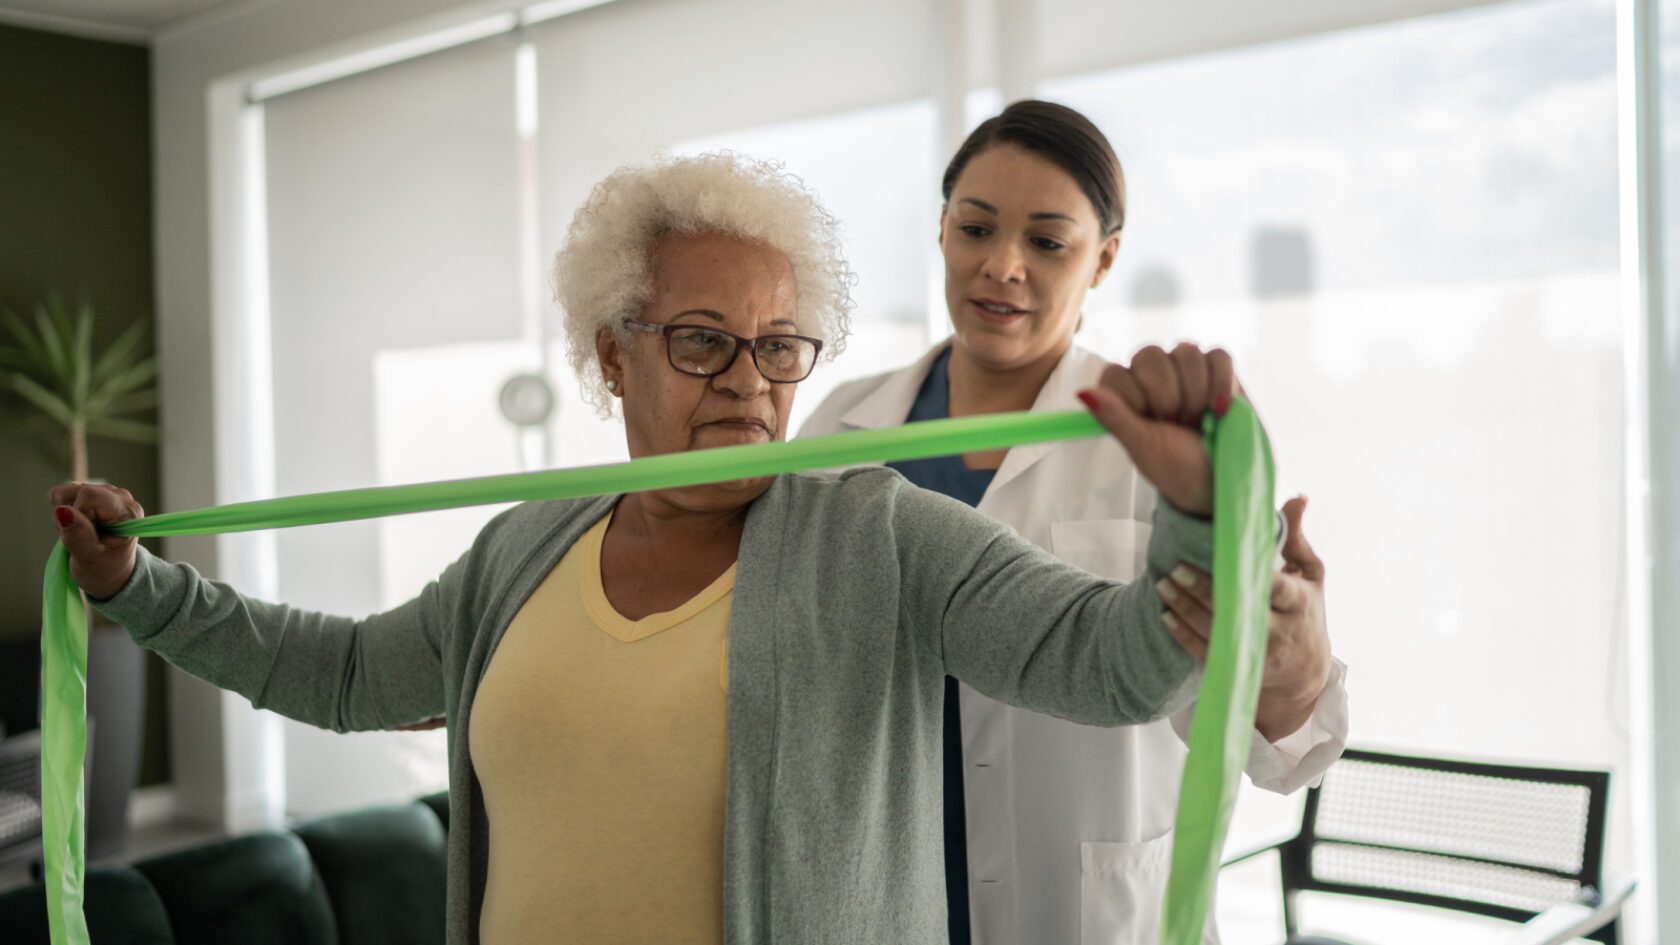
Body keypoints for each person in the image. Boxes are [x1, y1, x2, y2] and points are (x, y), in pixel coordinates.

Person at [49, 152, 1312, 945]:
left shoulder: (876, 530)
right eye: (703, 341)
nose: (751, 384)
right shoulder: (524, 547)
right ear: (615, 353)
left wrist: (1198, 522)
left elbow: (1112, 663)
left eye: (779, 347)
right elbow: (342, 675)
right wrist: (137, 588)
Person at [799, 100, 1348, 945]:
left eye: (1048, 242)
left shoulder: (1163, 447)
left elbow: (1273, 746)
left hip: (1085, 910)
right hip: (879, 890)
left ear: (1104, 259)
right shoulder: (841, 427)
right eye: (976, 229)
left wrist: (1294, 671)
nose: (1003, 266)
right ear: (942, 230)